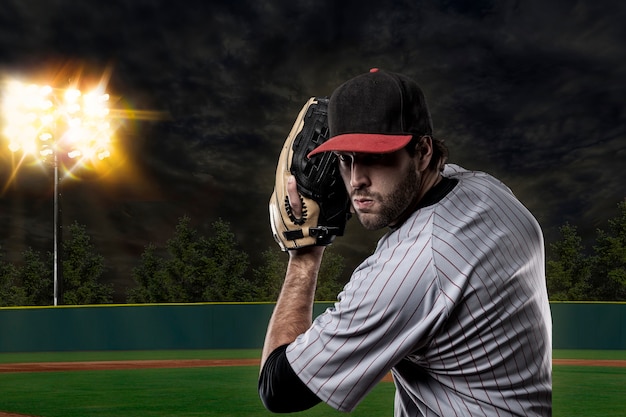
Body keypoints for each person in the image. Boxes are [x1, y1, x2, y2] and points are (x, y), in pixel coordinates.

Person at [258, 68, 552, 416]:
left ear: (423, 151)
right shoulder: (488, 190)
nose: (356, 181)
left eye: (375, 157)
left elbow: (279, 389)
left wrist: (305, 255)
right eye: (345, 159)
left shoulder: (418, 262)